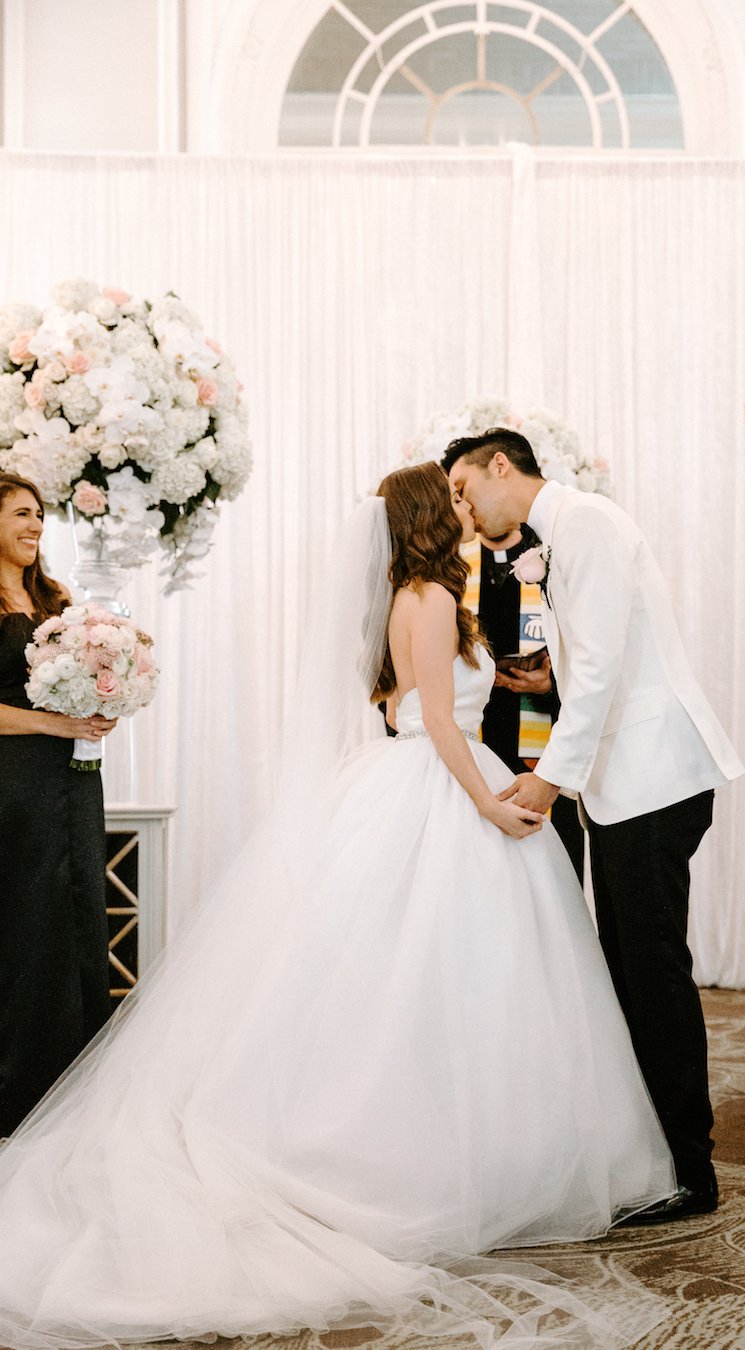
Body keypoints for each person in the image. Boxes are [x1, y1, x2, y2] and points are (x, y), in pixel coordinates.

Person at [0, 462, 674, 1350]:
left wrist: (494, 686)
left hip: (422, 778)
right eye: (459, 499)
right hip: (441, 789)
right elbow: (435, 723)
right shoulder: (429, 595)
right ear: (437, 514)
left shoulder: (423, 593)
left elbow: (411, 699)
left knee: (433, 985)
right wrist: (490, 804)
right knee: (441, 987)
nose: (470, 509)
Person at [444, 430, 745, 1224]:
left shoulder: (590, 525)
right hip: (626, 783)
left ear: (499, 465)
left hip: (652, 778)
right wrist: (553, 673)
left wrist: (548, 780)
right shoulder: (567, 531)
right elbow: (601, 654)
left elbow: (610, 669)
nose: (463, 509)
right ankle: (660, 1153)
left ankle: (690, 1169)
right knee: (630, 967)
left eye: (464, 489)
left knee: (650, 971)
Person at [0, 472, 116, 1139]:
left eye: (40, 515)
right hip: (12, 786)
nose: (35, 525)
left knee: (78, 919)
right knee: (25, 925)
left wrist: (109, 698)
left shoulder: (57, 596)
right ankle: (17, 1093)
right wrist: (53, 726)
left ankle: (76, 1091)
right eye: (20, 513)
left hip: (72, 781)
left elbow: (78, 686)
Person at [463, 521, 585, 881]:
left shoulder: (551, 558)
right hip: (476, 750)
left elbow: (593, 671)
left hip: (546, 756)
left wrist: (551, 686)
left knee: (552, 883)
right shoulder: (453, 566)